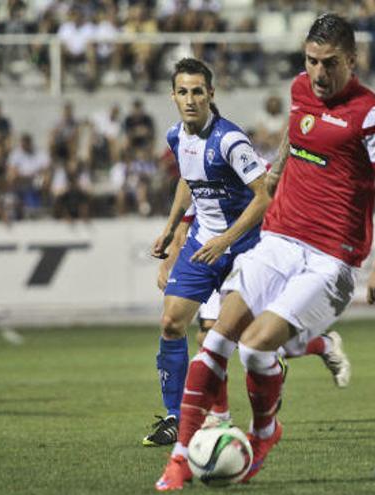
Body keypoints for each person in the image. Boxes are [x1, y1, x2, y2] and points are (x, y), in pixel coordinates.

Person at [155, 13, 375, 491]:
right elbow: (297, 129)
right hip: (277, 239)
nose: (317, 73)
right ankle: (180, 460)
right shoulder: (299, 89)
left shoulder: (372, 115)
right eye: (310, 61)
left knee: (254, 349)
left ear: (351, 61)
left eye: (329, 63)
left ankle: (265, 432)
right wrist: (276, 169)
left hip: (330, 257)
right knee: (214, 339)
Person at [142, 57, 272, 447]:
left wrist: (226, 239)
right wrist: (170, 230)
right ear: (173, 96)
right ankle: (177, 418)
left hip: (243, 248)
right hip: (203, 244)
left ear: (211, 94)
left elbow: (263, 198)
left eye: (198, 91)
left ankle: (286, 364)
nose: (190, 99)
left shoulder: (230, 140)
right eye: (183, 92)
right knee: (171, 323)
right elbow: (187, 177)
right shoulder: (175, 136)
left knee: (245, 342)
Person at [154, 206, 353, 430]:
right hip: (207, 250)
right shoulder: (198, 178)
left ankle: (321, 344)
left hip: (247, 247)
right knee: (208, 334)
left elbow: (267, 196)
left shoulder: (256, 173)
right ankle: (219, 416)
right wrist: (172, 248)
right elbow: (192, 200)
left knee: (254, 337)